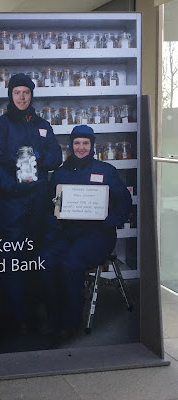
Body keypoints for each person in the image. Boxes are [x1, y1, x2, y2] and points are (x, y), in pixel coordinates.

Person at [0, 73, 62, 332]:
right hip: (12, 207)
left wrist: (39, 156)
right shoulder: (1, 126)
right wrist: (11, 186)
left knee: (38, 259)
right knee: (12, 261)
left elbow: (56, 157)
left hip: (39, 205)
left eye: (26, 93)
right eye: (17, 92)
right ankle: (15, 318)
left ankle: (35, 313)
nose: (22, 97)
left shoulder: (43, 125)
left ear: (31, 95)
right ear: (10, 95)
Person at [49, 124, 132, 338]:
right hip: (67, 233)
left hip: (98, 235)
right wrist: (55, 220)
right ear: (70, 146)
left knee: (70, 264)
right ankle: (52, 317)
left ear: (92, 145)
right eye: (77, 143)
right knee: (47, 261)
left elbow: (124, 202)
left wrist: (108, 220)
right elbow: (50, 206)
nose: (81, 147)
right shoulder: (60, 173)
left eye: (86, 143)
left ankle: (70, 323)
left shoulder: (105, 171)